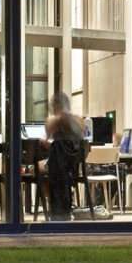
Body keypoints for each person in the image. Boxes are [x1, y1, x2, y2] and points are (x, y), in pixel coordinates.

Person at [44, 91, 85, 220]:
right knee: (49, 168)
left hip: (58, 165)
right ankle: (61, 201)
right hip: (73, 167)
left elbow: (46, 141)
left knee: (34, 170)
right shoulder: (79, 119)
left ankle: (52, 202)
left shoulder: (54, 120)